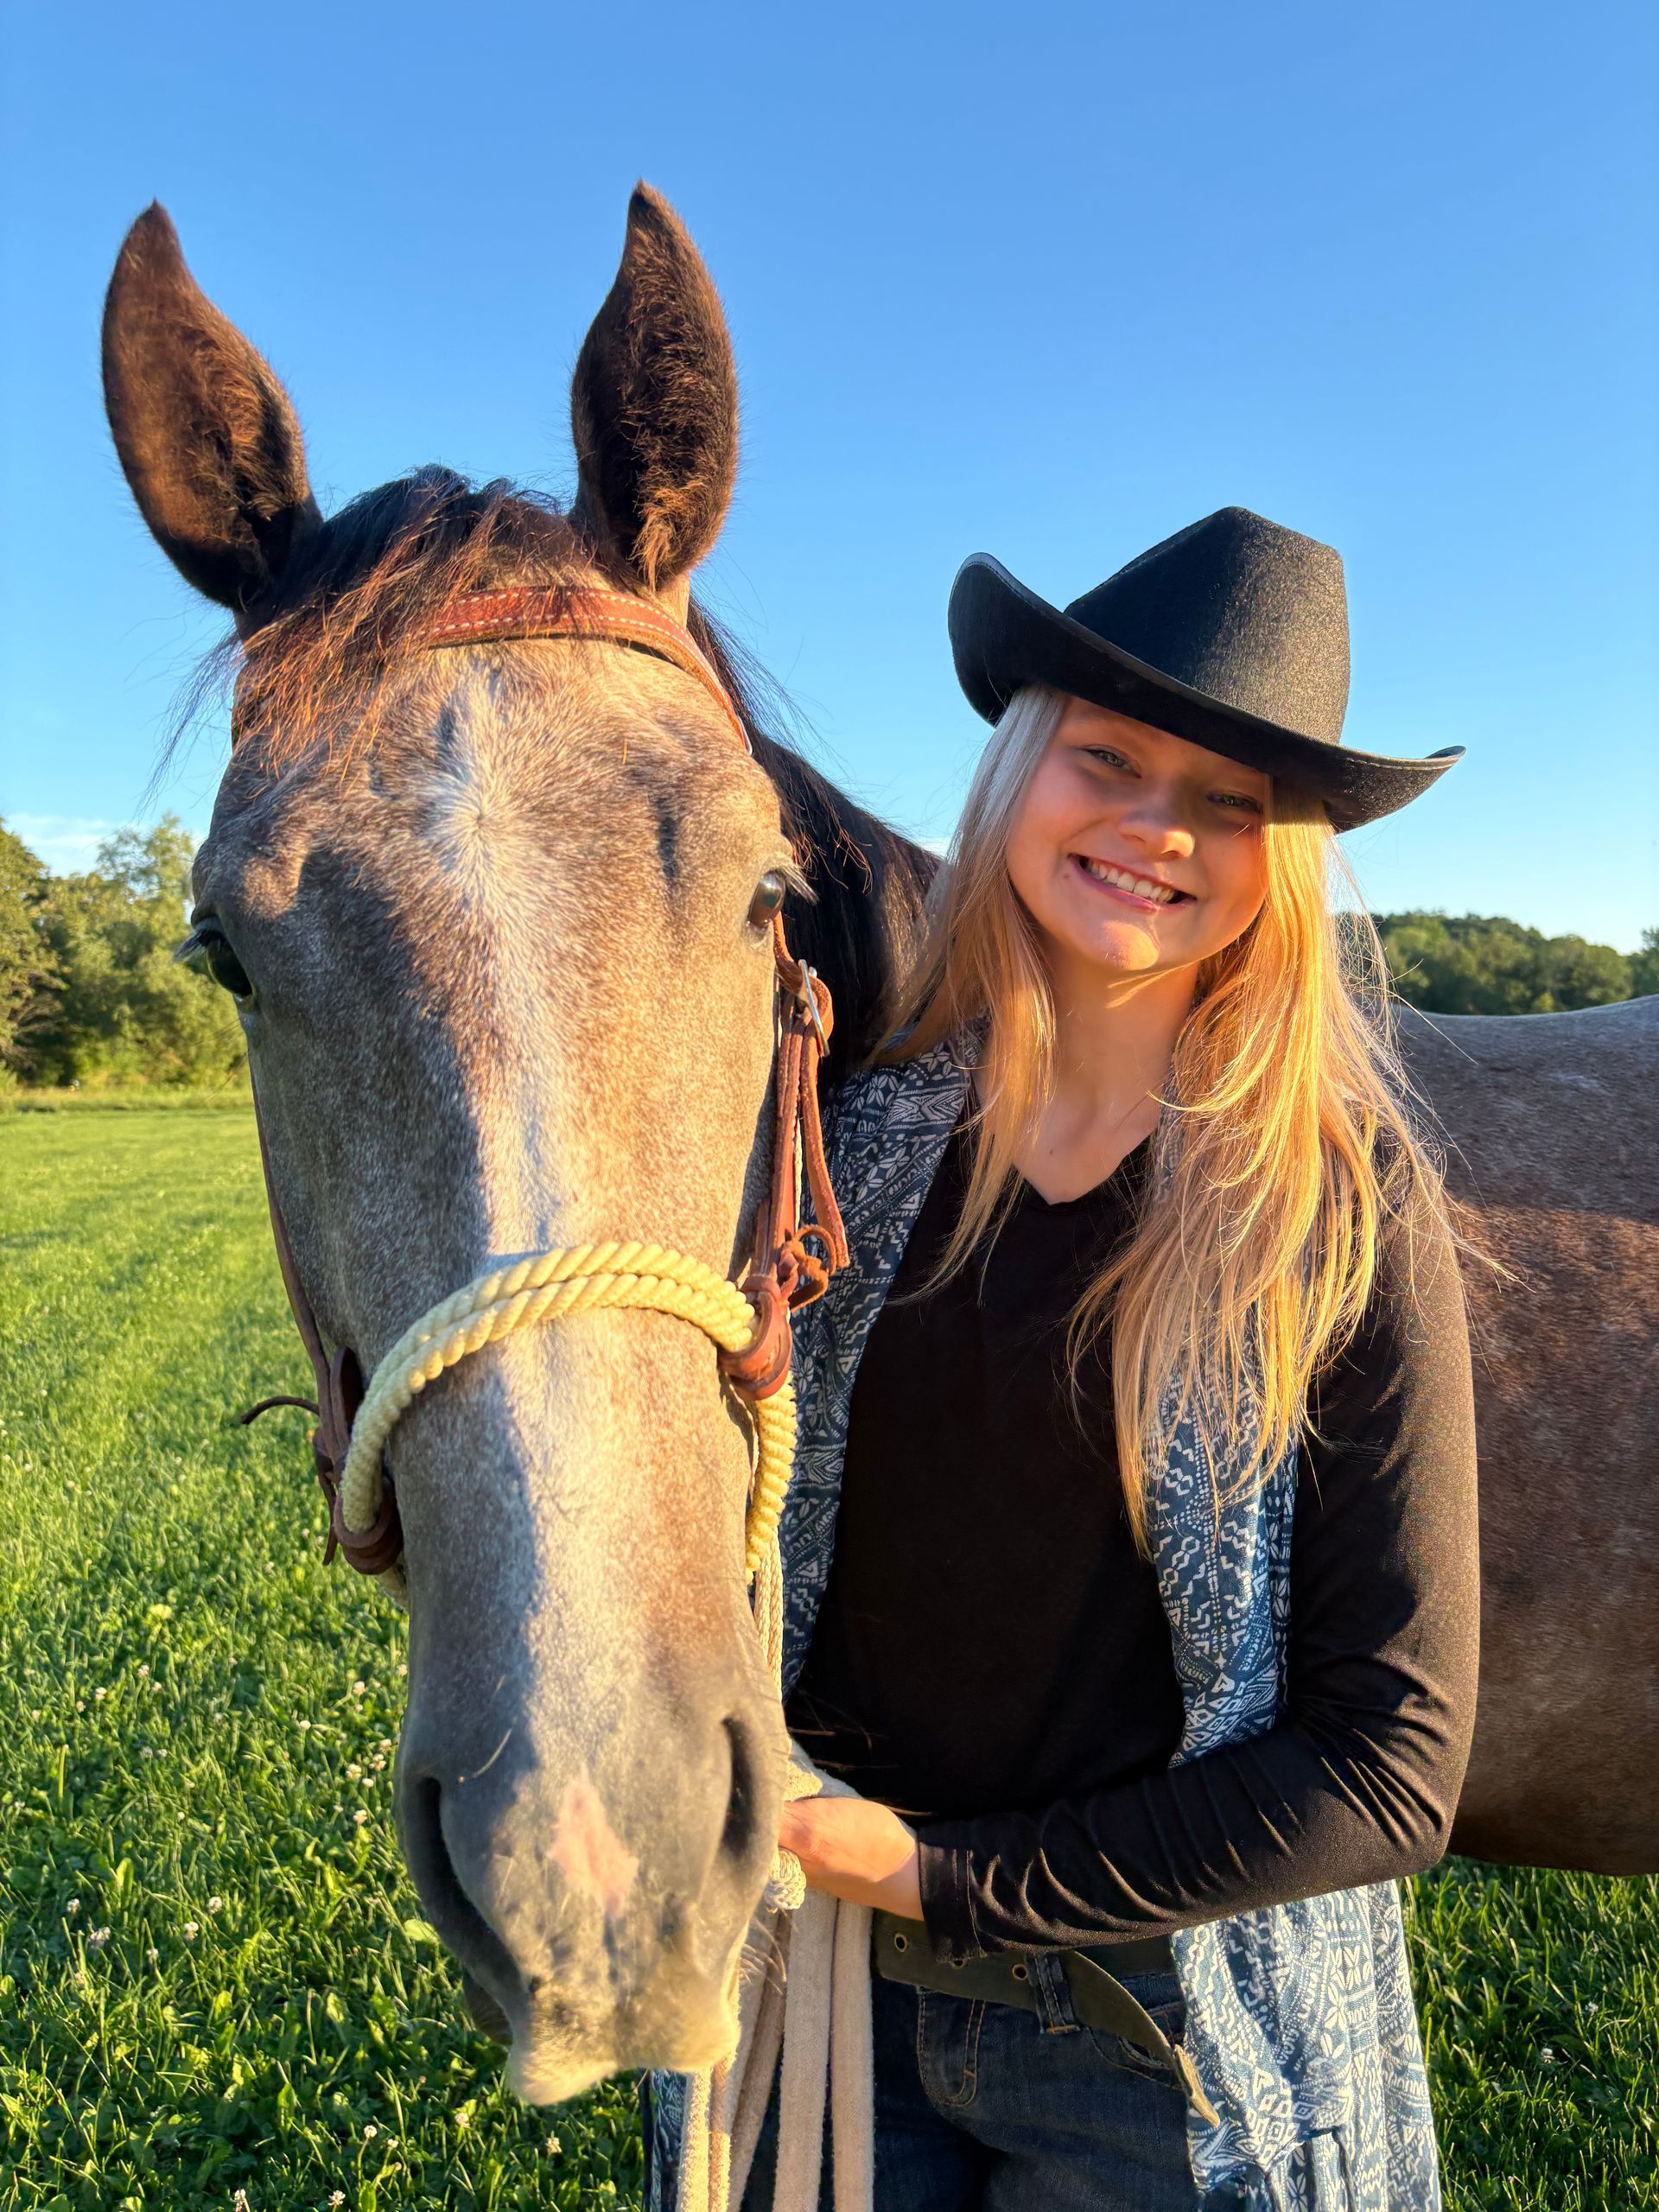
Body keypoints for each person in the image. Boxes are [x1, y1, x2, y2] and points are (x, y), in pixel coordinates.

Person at [653, 506, 1480, 2211]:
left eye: (1230, 801)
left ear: (1281, 861)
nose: (1157, 827)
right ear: (1020, 764)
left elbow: (1391, 1766)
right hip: (818, 2006)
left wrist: (935, 1871)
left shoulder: (1330, 1205)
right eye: (1108, 755)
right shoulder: (847, 1146)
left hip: (1166, 2047)